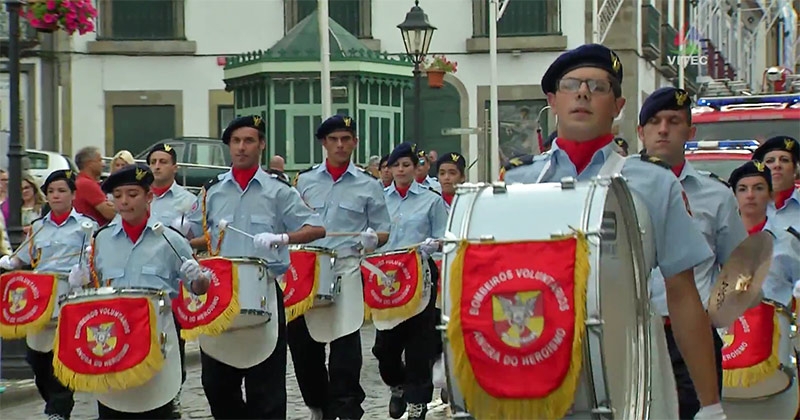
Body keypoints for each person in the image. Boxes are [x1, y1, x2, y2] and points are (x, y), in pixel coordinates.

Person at [501, 43, 725, 420]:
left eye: (599, 87)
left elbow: (683, 294)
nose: (584, 93)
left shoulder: (654, 183)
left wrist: (711, 403)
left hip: (631, 366)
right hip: (537, 361)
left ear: (618, 107)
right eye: (572, 85)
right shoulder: (519, 180)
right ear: (552, 101)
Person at [181, 115, 326, 419]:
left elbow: (317, 227)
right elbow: (191, 235)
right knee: (216, 383)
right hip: (220, 292)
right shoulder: (212, 191)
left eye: (249, 141)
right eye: (235, 141)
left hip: (264, 291)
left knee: (267, 386)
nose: (241, 147)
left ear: (261, 144)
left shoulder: (278, 190)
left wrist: (283, 237)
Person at [637, 86, 748, 418]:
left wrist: (716, 315)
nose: (663, 129)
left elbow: (740, 268)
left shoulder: (716, 196)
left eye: (674, 121)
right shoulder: (617, 186)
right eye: (654, 121)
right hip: (633, 332)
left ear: (690, 131)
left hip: (691, 335)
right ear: (641, 132)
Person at [71, 163, 210, 419]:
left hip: (156, 341)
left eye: (132, 194)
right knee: (115, 409)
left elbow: (199, 289)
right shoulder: (101, 240)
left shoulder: (170, 239)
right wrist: (80, 282)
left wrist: (198, 277)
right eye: (118, 195)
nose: (124, 202)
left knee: (157, 409)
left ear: (149, 197)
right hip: (114, 342)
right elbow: (95, 290)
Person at [291, 115, 392, 420]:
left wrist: (374, 239)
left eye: (346, 139)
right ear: (324, 143)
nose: (340, 145)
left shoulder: (369, 184)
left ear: (355, 143)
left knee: (345, 345)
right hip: (308, 269)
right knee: (303, 346)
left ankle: (347, 407)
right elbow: (293, 220)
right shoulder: (305, 181)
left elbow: (383, 229)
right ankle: (318, 403)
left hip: (346, 268)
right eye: (333, 139)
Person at [0, 169, 98, 420]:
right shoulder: (38, 228)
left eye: (62, 191)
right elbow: (24, 257)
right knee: (36, 357)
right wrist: (11, 262)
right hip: (40, 298)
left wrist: (84, 274)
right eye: (51, 191)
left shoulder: (86, 226)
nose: (56, 196)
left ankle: (59, 408)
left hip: (68, 295)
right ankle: (53, 401)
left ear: (73, 194)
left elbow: (96, 260)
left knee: (62, 355)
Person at [373, 142, 447, 420]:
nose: (402, 170)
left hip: (420, 273)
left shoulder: (431, 200)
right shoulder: (380, 199)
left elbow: (445, 236)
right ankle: (397, 383)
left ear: (416, 168)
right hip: (386, 277)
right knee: (385, 346)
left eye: (407, 165)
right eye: (396, 165)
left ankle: (418, 401)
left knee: (420, 342)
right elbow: (372, 233)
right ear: (389, 169)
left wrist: (434, 243)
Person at [145, 142, 196, 417]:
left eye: (163, 161)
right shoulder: (141, 197)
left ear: (174, 167)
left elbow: (200, 239)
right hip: (143, 280)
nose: (157, 166)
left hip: (173, 282)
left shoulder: (188, 201)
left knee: (174, 340)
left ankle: (173, 391)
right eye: (153, 161)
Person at [728, 161, 800, 304]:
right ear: (734, 196)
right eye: (742, 189)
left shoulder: (789, 242)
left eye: (758, 188)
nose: (750, 195)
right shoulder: (721, 241)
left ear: (771, 195)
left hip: (775, 323)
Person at [752, 136, 799, 232]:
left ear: (795, 169)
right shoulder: (744, 207)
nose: (777, 165)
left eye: (784, 160)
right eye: (770, 161)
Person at [73, 147, 116, 226]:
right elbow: (110, 214)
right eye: (99, 160)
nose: (103, 164)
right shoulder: (87, 184)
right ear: (89, 164)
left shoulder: (80, 182)